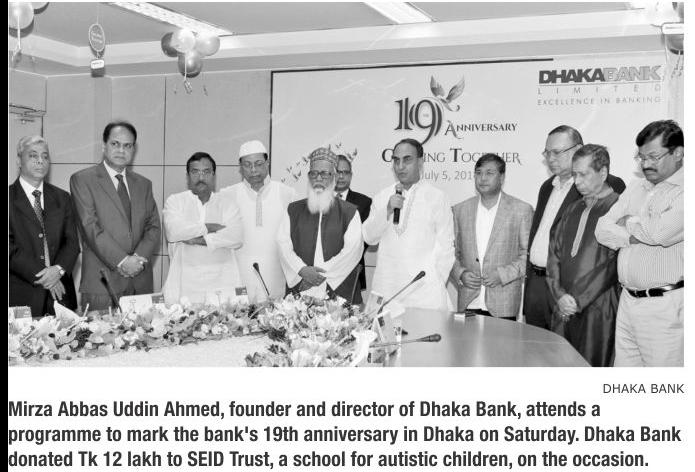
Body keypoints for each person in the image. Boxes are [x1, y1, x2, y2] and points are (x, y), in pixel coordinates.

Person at [595, 120, 683, 367]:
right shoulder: (636, 186)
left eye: (654, 157)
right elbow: (602, 228)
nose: (645, 164)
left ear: (678, 153)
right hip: (627, 300)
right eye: (641, 157)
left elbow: (659, 234)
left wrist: (628, 221)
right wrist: (633, 234)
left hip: (665, 306)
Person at [524, 125, 625, 329]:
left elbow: (610, 254)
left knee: (567, 348)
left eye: (557, 152)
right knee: (535, 346)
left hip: (575, 293)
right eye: (547, 152)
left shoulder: (606, 186)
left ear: (578, 149)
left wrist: (572, 295)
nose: (550, 158)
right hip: (538, 284)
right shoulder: (547, 186)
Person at [70, 121, 161, 311]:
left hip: (140, 282)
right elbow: (89, 227)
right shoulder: (83, 180)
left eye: (127, 145)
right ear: (104, 146)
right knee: (98, 331)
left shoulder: (144, 184)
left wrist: (138, 260)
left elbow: (153, 227)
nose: (121, 150)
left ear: (134, 149)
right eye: (115, 144)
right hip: (102, 282)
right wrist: (123, 261)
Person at [546, 145, 620, 367]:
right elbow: (554, 255)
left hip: (598, 308)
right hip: (563, 306)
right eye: (574, 174)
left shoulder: (619, 208)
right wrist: (559, 295)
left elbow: (613, 265)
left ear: (603, 172)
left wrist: (578, 300)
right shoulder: (572, 209)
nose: (577, 181)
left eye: (583, 175)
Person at [363, 138, 454, 311]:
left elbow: (446, 246)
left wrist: (434, 280)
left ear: (420, 162)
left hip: (424, 290)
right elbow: (369, 237)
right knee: (382, 329)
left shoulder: (437, 197)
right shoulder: (382, 197)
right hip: (386, 287)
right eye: (396, 160)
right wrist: (387, 210)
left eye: (407, 160)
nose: (400, 166)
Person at [450, 154, 532, 320]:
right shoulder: (460, 210)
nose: (482, 178)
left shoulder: (521, 210)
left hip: (504, 304)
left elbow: (527, 256)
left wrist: (502, 275)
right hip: (468, 301)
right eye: (478, 173)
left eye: (489, 173)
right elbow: (451, 252)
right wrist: (460, 274)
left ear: (501, 177)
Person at [276, 147, 363, 302]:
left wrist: (317, 276)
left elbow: (353, 251)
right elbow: (283, 245)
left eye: (324, 173)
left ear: (334, 176)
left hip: (337, 290)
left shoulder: (349, 212)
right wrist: (301, 270)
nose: (318, 178)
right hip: (301, 287)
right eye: (314, 173)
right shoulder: (293, 210)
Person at [9, 136, 79, 316]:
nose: (40, 161)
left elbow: (72, 243)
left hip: (61, 295)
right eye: (33, 155)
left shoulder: (63, 198)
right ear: (19, 160)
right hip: (22, 294)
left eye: (45, 156)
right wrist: (46, 275)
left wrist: (57, 270)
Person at [162, 152, 244, 305]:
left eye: (206, 172)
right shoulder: (175, 201)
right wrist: (209, 227)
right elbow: (173, 232)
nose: (201, 177)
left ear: (213, 176)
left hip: (222, 283)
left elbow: (236, 237)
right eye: (195, 172)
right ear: (187, 176)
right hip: (184, 283)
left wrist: (197, 239)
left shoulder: (228, 204)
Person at [221, 140, 296, 303]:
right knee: (240, 316)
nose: (253, 170)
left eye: (258, 164)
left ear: (267, 163)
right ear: (240, 167)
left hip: (276, 273)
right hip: (239, 275)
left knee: (274, 316)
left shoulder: (287, 193)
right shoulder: (228, 195)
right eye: (247, 165)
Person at [335, 154, 372, 294]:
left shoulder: (364, 202)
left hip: (352, 272)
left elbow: (365, 239)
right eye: (337, 172)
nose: (341, 176)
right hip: (322, 273)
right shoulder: (318, 201)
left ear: (351, 175)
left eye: (345, 172)